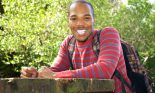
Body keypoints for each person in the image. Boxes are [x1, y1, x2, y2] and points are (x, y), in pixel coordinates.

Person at [20, 0, 133, 93]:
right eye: (74, 18)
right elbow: (53, 70)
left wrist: (54, 75)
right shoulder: (69, 44)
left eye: (86, 18)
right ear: (68, 21)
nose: (80, 24)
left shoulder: (109, 34)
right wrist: (37, 74)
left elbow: (104, 70)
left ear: (94, 19)